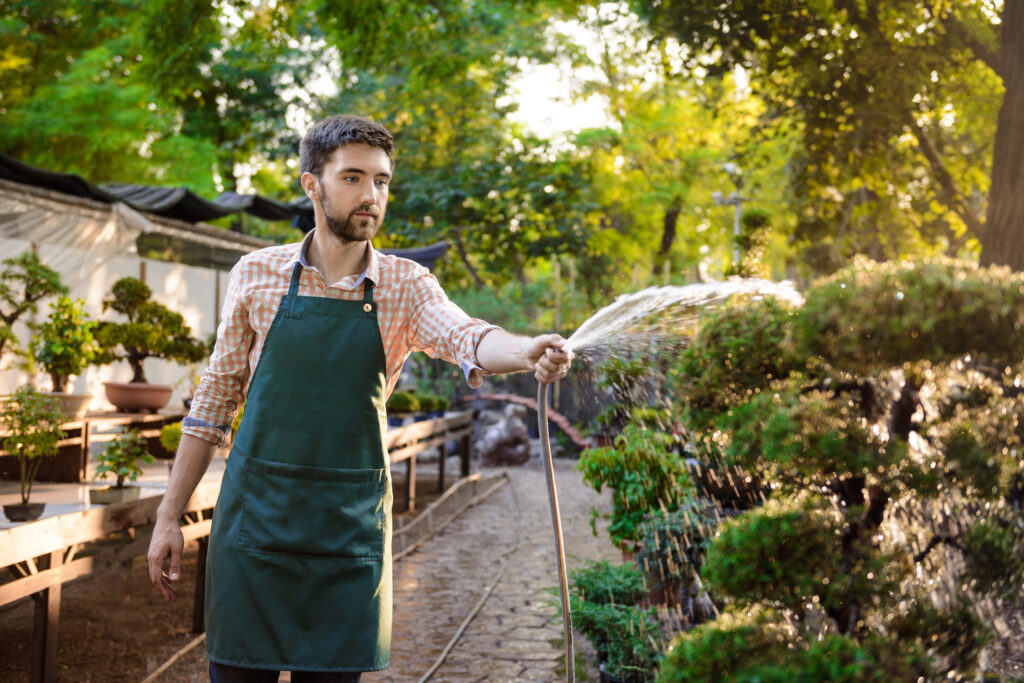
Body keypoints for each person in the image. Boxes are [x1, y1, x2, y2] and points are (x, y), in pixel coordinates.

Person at [146, 114, 572, 683]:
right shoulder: (257, 275)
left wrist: (525, 351)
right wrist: (168, 515)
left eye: (382, 180)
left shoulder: (406, 285)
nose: (371, 195)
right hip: (254, 529)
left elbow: (466, 335)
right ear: (311, 184)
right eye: (352, 177)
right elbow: (214, 404)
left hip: (347, 534)